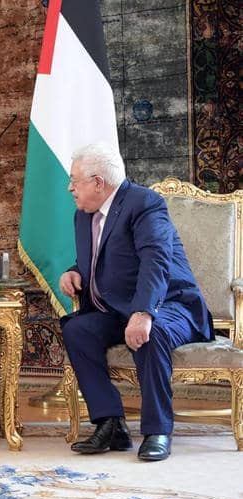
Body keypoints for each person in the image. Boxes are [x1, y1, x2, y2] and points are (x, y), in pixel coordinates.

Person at [58, 143, 213, 462]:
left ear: (98, 182)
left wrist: (143, 312)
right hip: (118, 308)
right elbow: (104, 258)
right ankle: (110, 423)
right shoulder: (83, 216)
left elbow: (155, 260)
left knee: (151, 333)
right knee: (77, 329)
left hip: (170, 304)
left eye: (74, 180)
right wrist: (74, 271)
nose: (70, 188)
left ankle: (157, 430)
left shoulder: (144, 203)